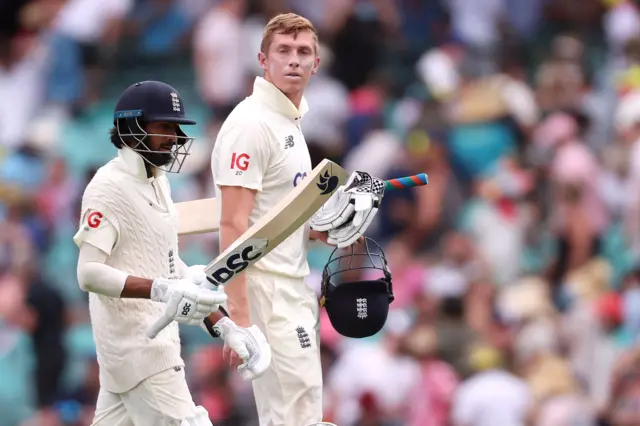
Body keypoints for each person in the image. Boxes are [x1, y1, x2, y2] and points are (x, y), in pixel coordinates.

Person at [210, 13, 384, 426]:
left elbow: (278, 218)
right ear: (262, 60)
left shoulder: (289, 124)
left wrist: (328, 227)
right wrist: (239, 318)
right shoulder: (252, 124)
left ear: (316, 63)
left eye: (303, 52)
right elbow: (233, 224)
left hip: (290, 284)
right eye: (283, 52)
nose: (293, 61)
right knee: (296, 418)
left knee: (298, 415)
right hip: (265, 289)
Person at [72, 80, 265, 426]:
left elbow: (171, 271)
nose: (174, 138)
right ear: (131, 128)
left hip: (136, 357)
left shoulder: (158, 181)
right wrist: (160, 288)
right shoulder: (107, 189)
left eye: (176, 129)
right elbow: (88, 273)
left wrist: (222, 325)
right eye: (164, 127)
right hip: (142, 351)